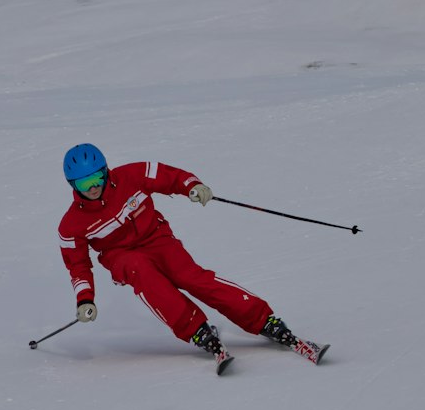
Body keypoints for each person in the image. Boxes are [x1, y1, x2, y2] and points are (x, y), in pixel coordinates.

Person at [58, 143, 323, 367]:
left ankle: (263, 320)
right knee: (144, 274)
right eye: (84, 183)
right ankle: (196, 330)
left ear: (106, 171)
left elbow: (168, 176)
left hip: (156, 238)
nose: (93, 187)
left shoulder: (132, 175)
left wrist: (192, 186)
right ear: (73, 185)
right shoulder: (71, 225)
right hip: (121, 256)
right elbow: (77, 265)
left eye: (98, 178)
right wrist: (85, 300)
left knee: (190, 277)